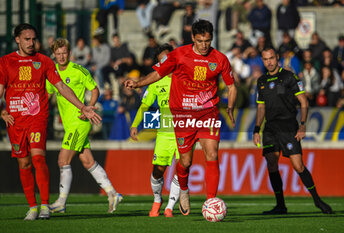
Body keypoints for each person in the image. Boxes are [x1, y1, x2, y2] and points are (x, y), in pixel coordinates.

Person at [125, 19, 237, 216]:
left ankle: (211, 201)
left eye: (208, 41)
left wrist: (230, 106)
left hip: (207, 113)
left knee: (212, 153)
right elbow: (158, 73)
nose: (204, 45)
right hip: (183, 115)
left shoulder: (220, 59)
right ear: (193, 37)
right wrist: (138, 84)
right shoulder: (178, 55)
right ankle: (183, 189)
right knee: (184, 161)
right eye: (200, 40)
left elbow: (231, 86)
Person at [0, 23, 101, 221]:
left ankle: (45, 205)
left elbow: (61, 87)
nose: (31, 43)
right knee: (24, 163)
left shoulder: (44, 61)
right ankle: (32, 207)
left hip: (37, 117)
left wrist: (83, 106)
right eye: (27, 39)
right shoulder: (5, 62)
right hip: (15, 121)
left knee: (38, 158)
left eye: (33, 39)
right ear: (17, 40)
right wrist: (2, 111)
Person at [253, 47, 333, 215]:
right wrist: (256, 129)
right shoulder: (261, 81)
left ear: (277, 58)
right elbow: (261, 108)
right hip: (270, 128)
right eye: (266, 59)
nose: (269, 62)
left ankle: (317, 200)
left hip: (288, 126)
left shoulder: (289, 77)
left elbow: (304, 102)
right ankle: (280, 205)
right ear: (263, 60)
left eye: (272, 58)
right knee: (271, 163)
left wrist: (303, 124)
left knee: (298, 166)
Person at [47, 38, 123, 214]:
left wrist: (89, 106)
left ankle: (61, 202)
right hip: (69, 124)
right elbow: (47, 93)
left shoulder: (79, 71)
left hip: (78, 122)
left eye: (64, 53)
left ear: (69, 53)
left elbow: (94, 89)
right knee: (88, 161)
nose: (61, 56)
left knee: (62, 160)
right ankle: (112, 193)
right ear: (54, 55)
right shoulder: (52, 72)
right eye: (57, 54)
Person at [130, 44, 180, 218]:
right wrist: (135, 125)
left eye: (167, 58)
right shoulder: (155, 80)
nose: (165, 62)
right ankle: (157, 199)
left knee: (182, 168)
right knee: (158, 170)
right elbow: (145, 105)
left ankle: (170, 207)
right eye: (161, 61)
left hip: (184, 130)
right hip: (165, 132)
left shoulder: (184, 75)